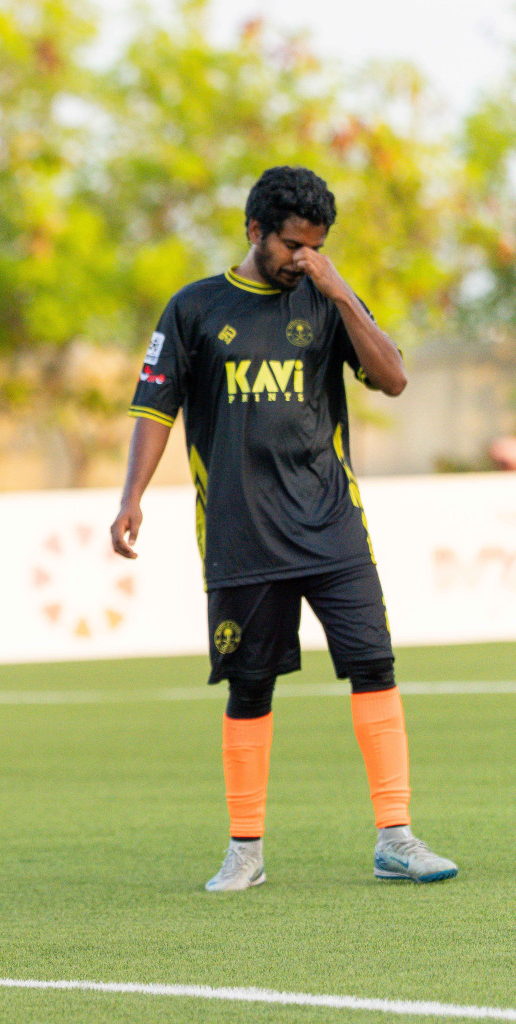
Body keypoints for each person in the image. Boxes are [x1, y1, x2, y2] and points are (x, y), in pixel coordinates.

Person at [110, 166, 457, 891]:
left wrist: (340, 293)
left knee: (375, 666)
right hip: (243, 533)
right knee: (250, 687)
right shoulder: (194, 309)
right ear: (255, 232)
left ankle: (396, 836)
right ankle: (245, 850)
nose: (304, 258)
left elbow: (392, 378)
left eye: (317, 246)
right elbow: (154, 409)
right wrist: (131, 496)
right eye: (293, 246)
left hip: (334, 527)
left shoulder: (327, 299)